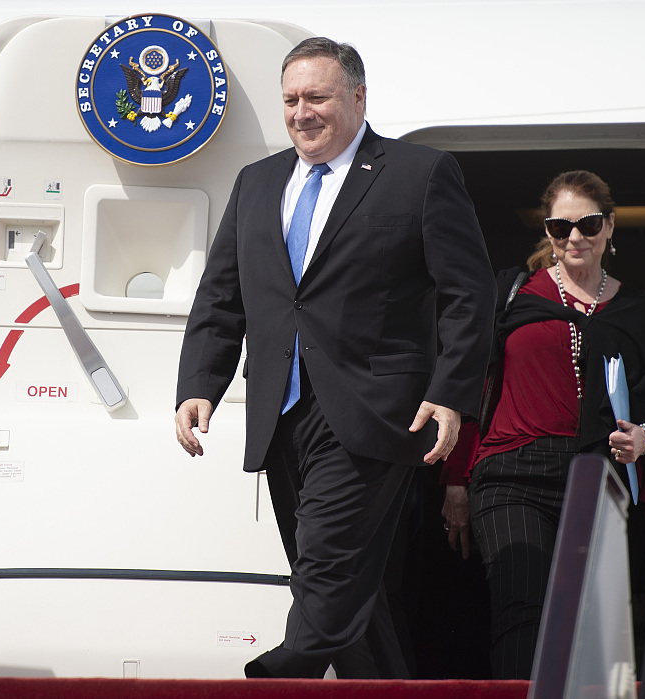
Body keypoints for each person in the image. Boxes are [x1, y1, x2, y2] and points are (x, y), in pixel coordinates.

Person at [174, 37, 495, 679]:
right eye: (290, 99)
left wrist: (451, 390)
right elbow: (222, 293)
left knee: (326, 564)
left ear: (358, 97)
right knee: (348, 586)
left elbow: (470, 291)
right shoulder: (257, 181)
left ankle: (277, 676)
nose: (301, 113)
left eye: (316, 97)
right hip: (281, 410)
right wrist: (200, 382)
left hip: (375, 409)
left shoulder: (419, 173)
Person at [441, 170, 645, 679]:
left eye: (588, 224)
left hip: (597, 477)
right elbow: (471, 383)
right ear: (547, 231)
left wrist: (644, 438)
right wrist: (455, 480)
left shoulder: (639, 308)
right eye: (559, 226)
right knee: (522, 608)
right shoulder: (512, 291)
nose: (575, 237)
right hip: (509, 473)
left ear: (609, 226)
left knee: (590, 620)